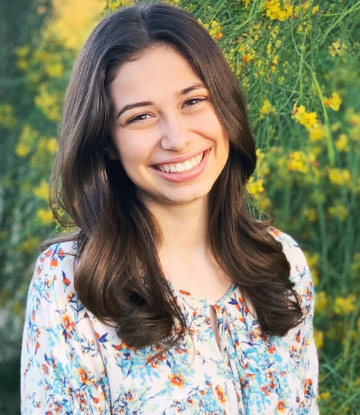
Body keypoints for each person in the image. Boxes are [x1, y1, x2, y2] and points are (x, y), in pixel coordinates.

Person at [20, 2, 318, 414]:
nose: (176, 138)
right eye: (140, 116)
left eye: (193, 101)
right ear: (106, 141)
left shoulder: (282, 263)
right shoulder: (70, 281)